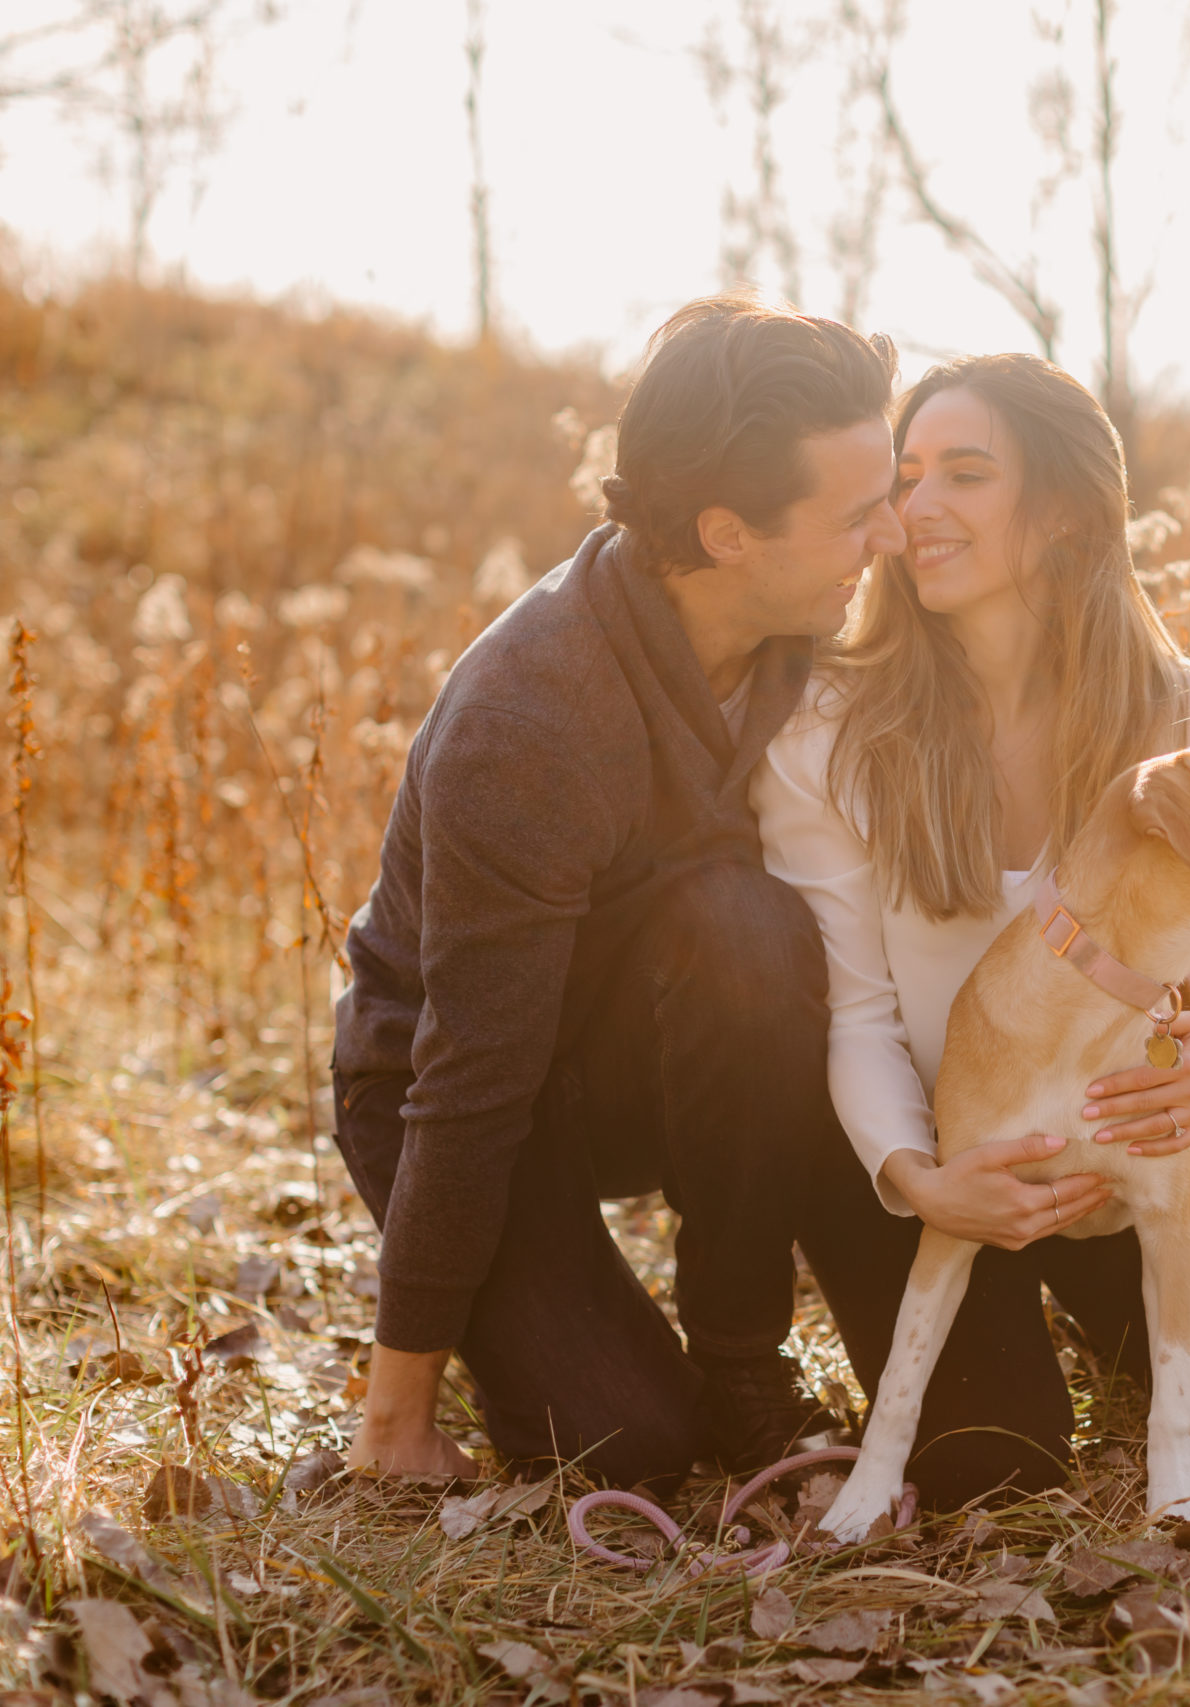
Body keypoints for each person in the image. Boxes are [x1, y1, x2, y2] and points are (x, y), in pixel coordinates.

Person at [755, 353, 1190, 1509]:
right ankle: (1002, 1340)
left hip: (1118, 1160)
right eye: (908, 476)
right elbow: (856, 1012)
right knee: (993, 1471)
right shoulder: (833, 733)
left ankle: (1118, 1329)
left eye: (966, 475)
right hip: (939, 1160)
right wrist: (918, 1180)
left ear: (1064, 515)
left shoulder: (1176, 719)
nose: (916, 506)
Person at [329, 295, 915, 1487]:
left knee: (745, 927)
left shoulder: (803, 633)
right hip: (465, 1085)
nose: (893, 537)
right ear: (726, 533)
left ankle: (744, 1364)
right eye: (860, 513)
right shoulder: (533, 720)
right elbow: (470, 1076)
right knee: (629, 1443)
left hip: (635, 1037)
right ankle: (582, 1357)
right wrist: (397, 1416)